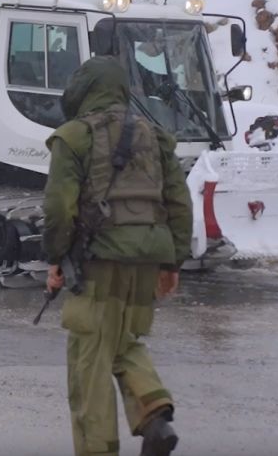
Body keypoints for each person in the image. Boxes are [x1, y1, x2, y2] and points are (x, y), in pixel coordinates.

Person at [41, 54, 193, 456]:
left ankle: (98, 449)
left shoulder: (74, 136)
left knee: (88, 359)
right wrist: (172, 262)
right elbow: (179, 201)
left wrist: (55, 258)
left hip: (100, 260)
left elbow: (59, 207)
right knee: (124, 341)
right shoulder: (156, 136)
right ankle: (153, 413)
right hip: (148, 258)